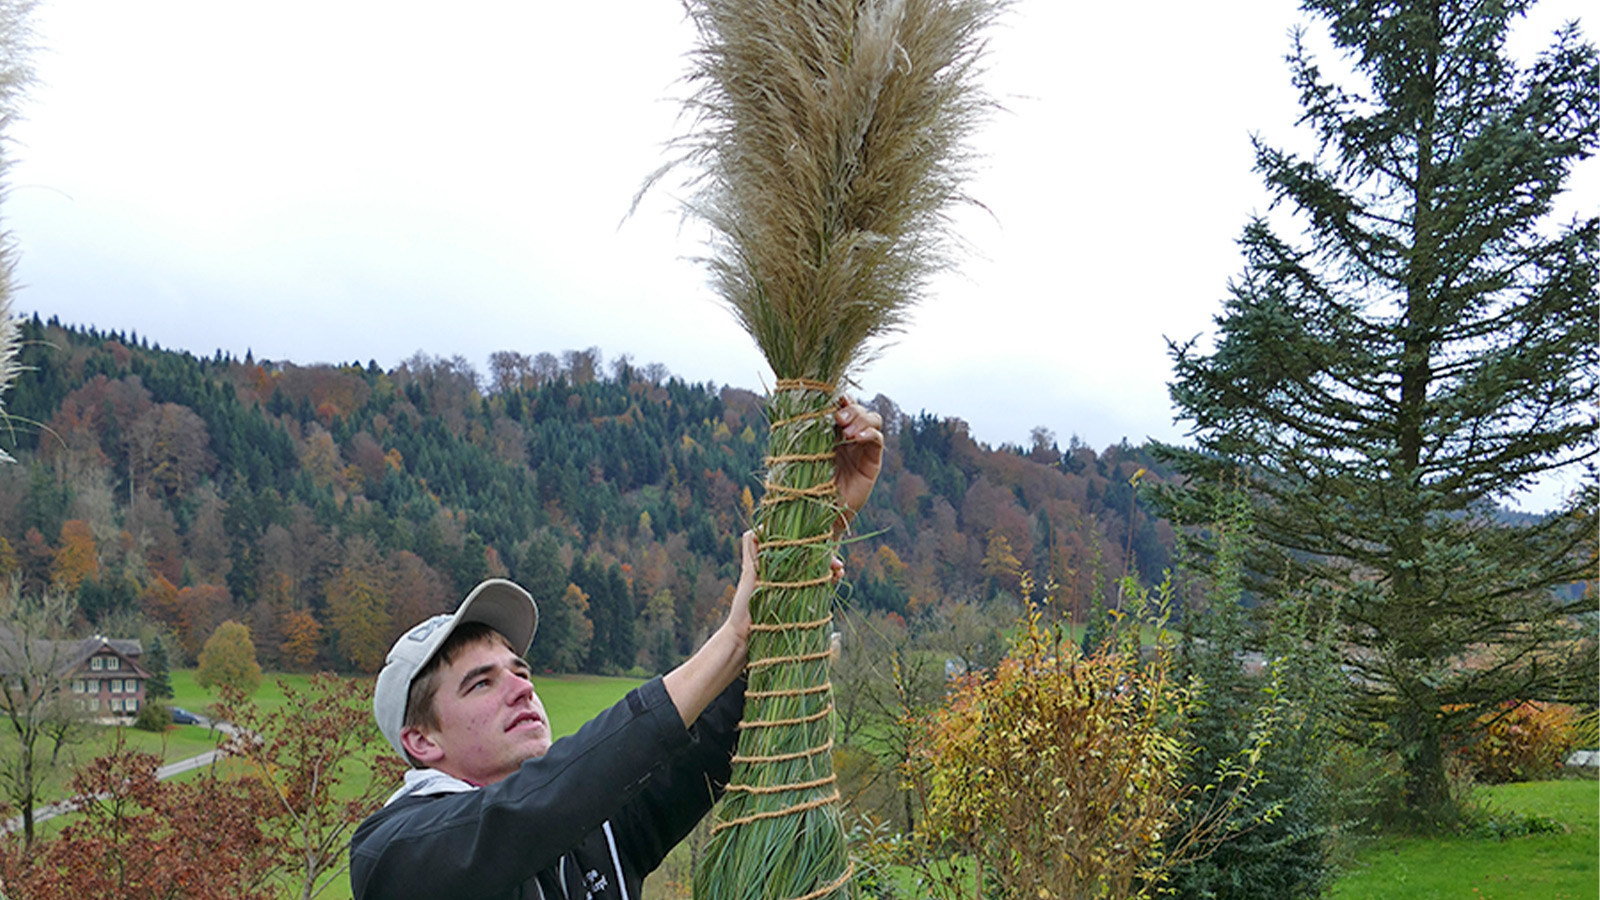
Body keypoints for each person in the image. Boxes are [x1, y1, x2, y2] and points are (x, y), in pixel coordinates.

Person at [349, 397, 884, 900]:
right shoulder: (395, 854)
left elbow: (722, 733)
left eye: (520, 669)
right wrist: (730, 639)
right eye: (481, 682)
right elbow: (532, 809)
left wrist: (812, 538)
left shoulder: (596, 833)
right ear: (420, 742)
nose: (522, 688)